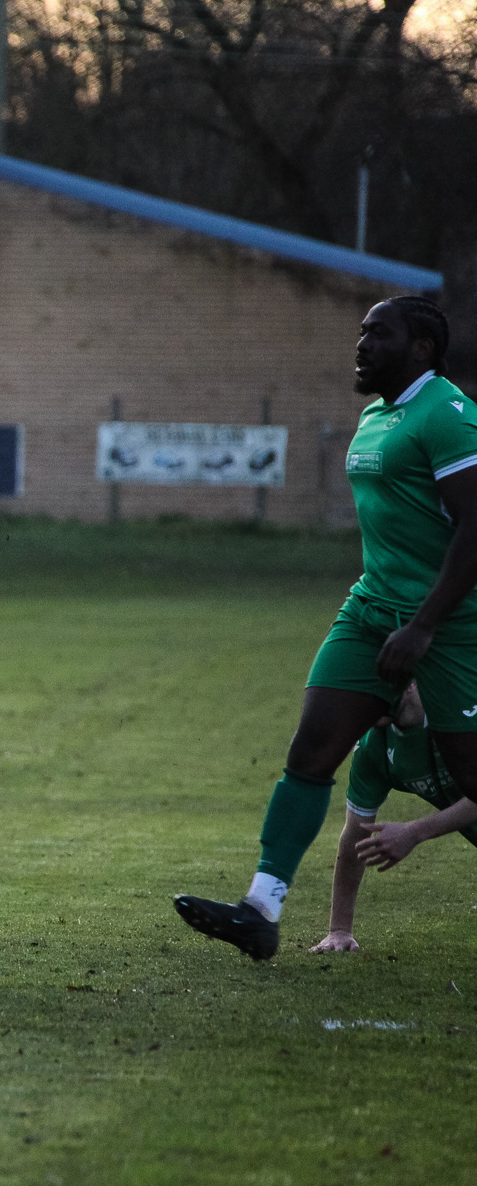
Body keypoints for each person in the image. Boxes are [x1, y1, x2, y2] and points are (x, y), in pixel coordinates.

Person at [178, 296, 477, 959]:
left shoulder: (449, 415)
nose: (362, 344)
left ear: (422, 348)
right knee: (312, 750)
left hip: (451, 628)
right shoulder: (376, 415)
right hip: (371, 613)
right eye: (361, 332)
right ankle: (261, 910)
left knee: (470, 777)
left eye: (379, 334)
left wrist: (424, 626)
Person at [309, 681, 477, 953]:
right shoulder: (373, 747)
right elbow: (356, 833)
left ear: (409, 681)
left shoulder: (463, 706)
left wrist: (414, 831)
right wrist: (339, 930)